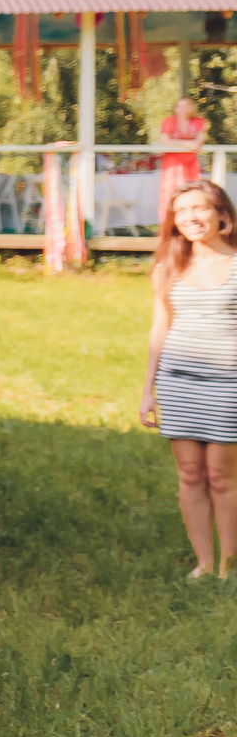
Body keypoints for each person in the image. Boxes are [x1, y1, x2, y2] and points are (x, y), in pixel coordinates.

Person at [141, 181, 237, 580]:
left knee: (221, 476)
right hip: (178, 380)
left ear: (222, 215)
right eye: (181, 212)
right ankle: (204, 562)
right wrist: (148, 388)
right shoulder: (169, 266)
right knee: (190, 474)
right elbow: (159, 326)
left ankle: (228, 566)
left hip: (228, 382)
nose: (191, 218)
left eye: (199, 208)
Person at [158, 95, 209, 206]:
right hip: (173, 161)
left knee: (193, 188)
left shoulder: (198, 121)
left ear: (192, 108)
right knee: (173, 189)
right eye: (180, 106)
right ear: (175, 108)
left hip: (191, 160)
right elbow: (164, 140)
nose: (184, 109)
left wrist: (190, 145)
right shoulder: (169, 121)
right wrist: (186, 144)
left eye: (187, 106)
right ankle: (170, 219)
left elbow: (198, 142)